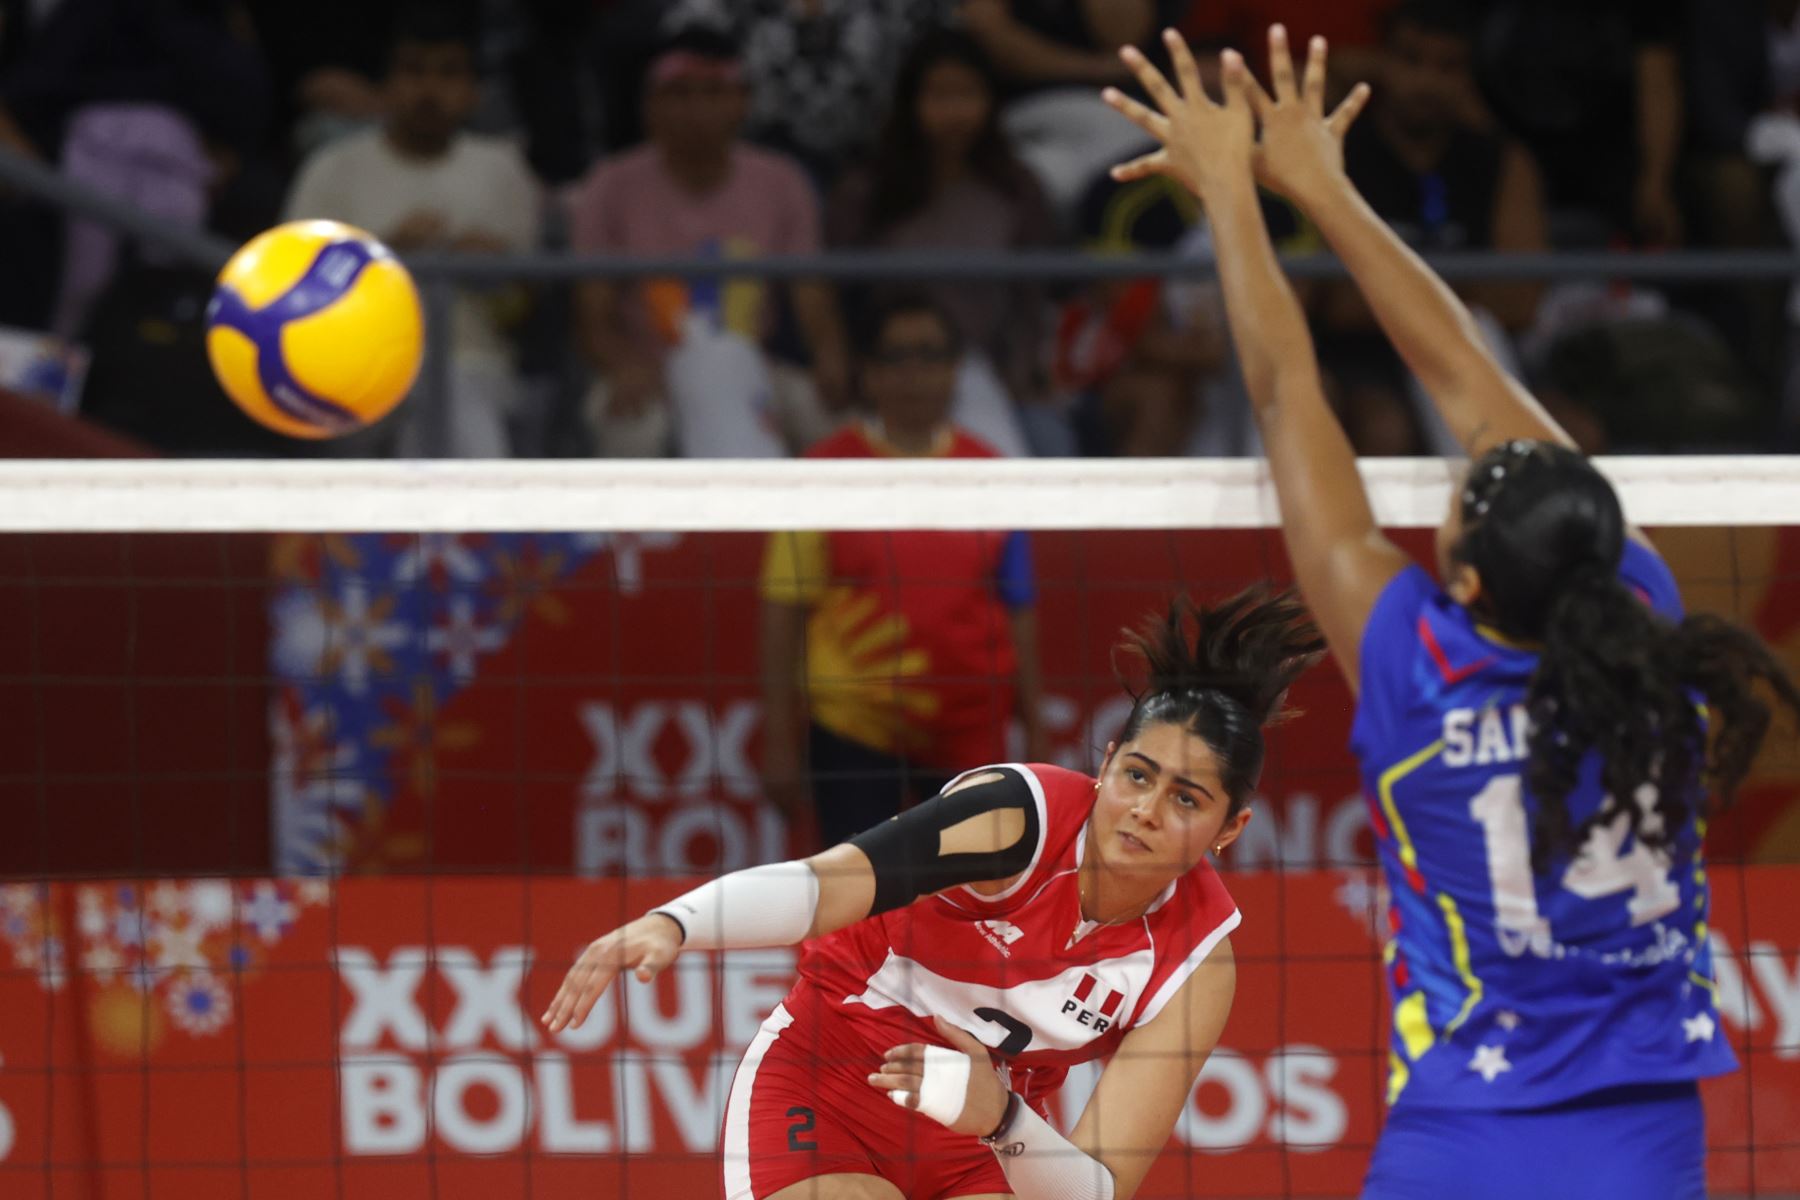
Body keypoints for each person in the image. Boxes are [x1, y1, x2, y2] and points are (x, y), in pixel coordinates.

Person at [1103, 25, 1800, 1198]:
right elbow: (1483, 390)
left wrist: (1239, 188)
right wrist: (1324, 183)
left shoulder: (1415, 666)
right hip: (1645, 1141)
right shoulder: (1653, 627)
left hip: (1463, 1140)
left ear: (1466, 584)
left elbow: (1284, 389)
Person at [546, 586, 1324, 1200]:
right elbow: (828, 886)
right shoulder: (1015, 819)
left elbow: (1094, 1188)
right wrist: (678, 923)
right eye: (1138, 776)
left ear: (1231, 828)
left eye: (1187, 800)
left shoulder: (1196, 962)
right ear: (1108, 759)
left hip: (980, 1136)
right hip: (829, 1086)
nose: (1147, 811)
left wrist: (1002, 1116)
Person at [760, 294, 1045, 852]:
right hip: (855, 727)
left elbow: (1020, 606)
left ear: (955, 369)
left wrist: (1035, 729)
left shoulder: (990, 473)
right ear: (868, 374)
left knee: (974, 907)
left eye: (930, 355)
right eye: (897, 357)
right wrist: (777, 738)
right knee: (851, 903)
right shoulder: (822, 472)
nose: (914, 373)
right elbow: (781, 610)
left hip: (969, 731)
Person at [570, 27, 851, 459]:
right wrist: (624, 366)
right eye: (679, 94)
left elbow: (810, 294)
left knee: (838, 424)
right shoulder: (610, 184)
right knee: (630, 429)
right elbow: (593, 315)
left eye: (714, 92)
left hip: (755, 367)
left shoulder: (781, 181)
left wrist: (831, 357)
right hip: (648, 374)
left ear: (742, 102)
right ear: (650, 106)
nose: (697, 109)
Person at [284, 2, 541, 458]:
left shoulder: (503, 169)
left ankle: (439, 527)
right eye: (413, 71)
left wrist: (493, 270)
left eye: (448, 73)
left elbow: (522, 316)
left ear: (474, 91)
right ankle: (462, 526)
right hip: (354, 367)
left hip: (478, 369)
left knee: (449, 386)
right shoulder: (332, 169)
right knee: (431, 385)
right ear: (387, 84)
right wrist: (383, 254)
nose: (429, 89)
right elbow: (287, 300)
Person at [1317, 0, 1548, 456]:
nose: (1426, 82)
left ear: (1468, 79)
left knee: (1577, 426)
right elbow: (1340, 304)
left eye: (1448, 67)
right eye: (1410, 60)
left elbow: (1522, 299)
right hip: (1366, 357)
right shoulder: (1337, 153)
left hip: (1480, 348)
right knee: (1384, 428)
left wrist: (1394, 290)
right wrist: (1461, 288)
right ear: (1381, 63)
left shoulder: (1501, 160)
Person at [827, 30, 1059, 457]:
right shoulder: (867, 192)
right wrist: (853, 369)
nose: (954, 111)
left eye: (967, 94)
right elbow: (839, 294)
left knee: (1051, 445)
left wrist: (1027, 371)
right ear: (910, 101)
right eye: (939, 95)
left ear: (991, 101)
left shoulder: (1016, 189)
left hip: (987, 369)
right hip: (886, 372)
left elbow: (1033, 297)